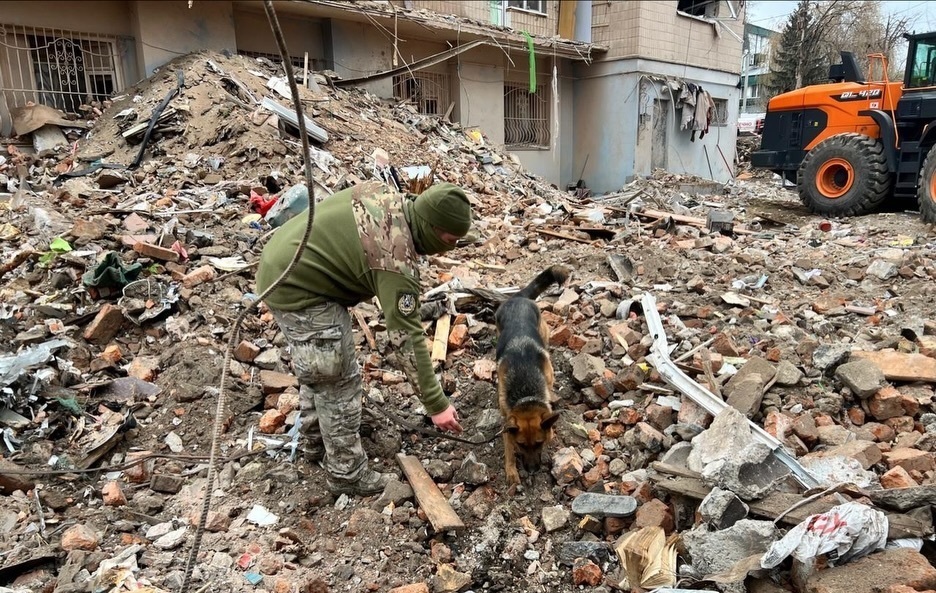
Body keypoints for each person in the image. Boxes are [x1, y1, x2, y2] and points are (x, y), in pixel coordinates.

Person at [255, 180, 471, 496]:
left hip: (282, 261)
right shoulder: (395, 255)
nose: (448, 248)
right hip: (296, 286)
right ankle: (347, 473)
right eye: (449, 241)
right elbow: (405, 337)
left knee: (319, 368)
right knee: (337, 379)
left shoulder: (387, 195)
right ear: (431, 226)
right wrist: (436, 404)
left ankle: (316, 442)